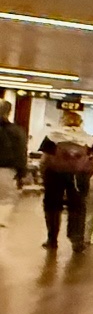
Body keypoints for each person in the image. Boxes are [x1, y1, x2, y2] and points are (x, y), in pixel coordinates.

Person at [37, 105, 93, 252]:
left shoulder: (53, 136)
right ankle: (77, 240)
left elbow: (44, 159)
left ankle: (52, 239)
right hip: (79, 177)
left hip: (54, 175)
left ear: (62, 121)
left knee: (52, 207)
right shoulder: (89, 139)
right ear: (80, 123)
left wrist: (43, 174)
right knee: (78, 207)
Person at [0, 96, 25, 230]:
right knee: (7, 198)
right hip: (6, 170)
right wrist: (21, 172)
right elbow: (21, 153)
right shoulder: (16, 131)